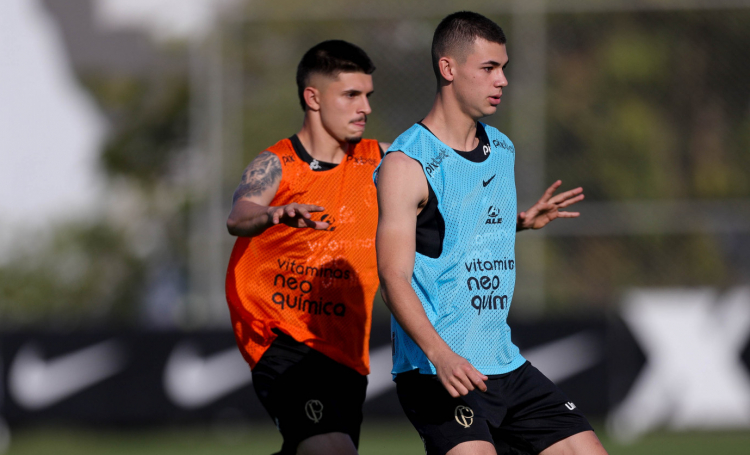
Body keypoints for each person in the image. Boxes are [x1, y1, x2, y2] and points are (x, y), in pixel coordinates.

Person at [374, 11, 607, 455]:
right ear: (448, 68)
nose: (501, 80)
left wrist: (518, 222)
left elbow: (453, 231)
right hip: (436, 370)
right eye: (488, 68)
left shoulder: (501, 147)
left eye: (503, 68)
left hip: (504, 363)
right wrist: (442, 356)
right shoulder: (407, 164)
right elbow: (393, 278)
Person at [225, 40, 387, 455]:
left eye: (367, 95)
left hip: (346, 350)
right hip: (279, 337)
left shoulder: (381, 161)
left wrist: (514, 221)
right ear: (312, 97)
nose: (364, 107)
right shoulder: (277, 164)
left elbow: (443, 209)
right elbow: (239, 216)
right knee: (331, 450)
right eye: (351, 95)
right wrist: (275, 214)